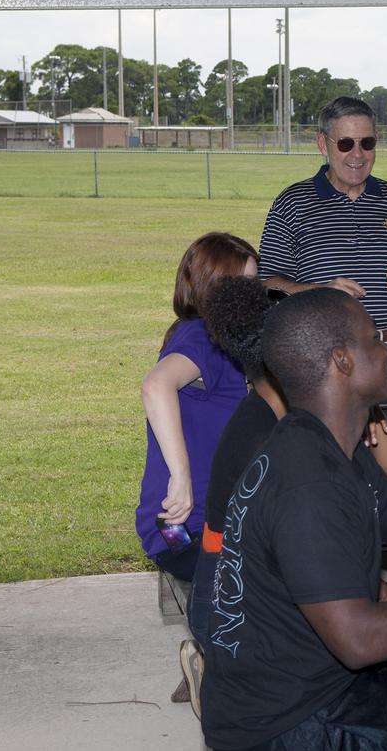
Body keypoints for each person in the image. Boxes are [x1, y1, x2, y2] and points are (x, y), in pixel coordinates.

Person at [200, 289, 387, 751]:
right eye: (373, 338)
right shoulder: (307, 485)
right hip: (287, 723)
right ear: (342, 361)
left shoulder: (331, 447)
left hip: (323, 689)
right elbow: (359, 640)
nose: (385, 348)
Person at [182, 277, 387, 719]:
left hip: (246, 582)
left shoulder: (307, 425)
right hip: (224, 600)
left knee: (384, 602)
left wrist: (365, 405)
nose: (381, 347)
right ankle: (220, 674)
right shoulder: (274, 445)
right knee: (381, 606)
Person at [257, 96, 387, 395]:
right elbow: (267, 285)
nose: (357, 154)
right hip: (316, 357)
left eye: (366, 143)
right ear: (322, 143)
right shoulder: (292, 203)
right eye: (345, 144)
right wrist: (321, 292)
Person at [137, 231, 258, 583]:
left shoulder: (226, 340)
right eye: (244, 284)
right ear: (213, 288)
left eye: (255, 281)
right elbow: (156, 385)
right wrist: (181, 477)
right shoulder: (201, 335)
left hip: (217, 523)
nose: (254, 294)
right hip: (184, 534)